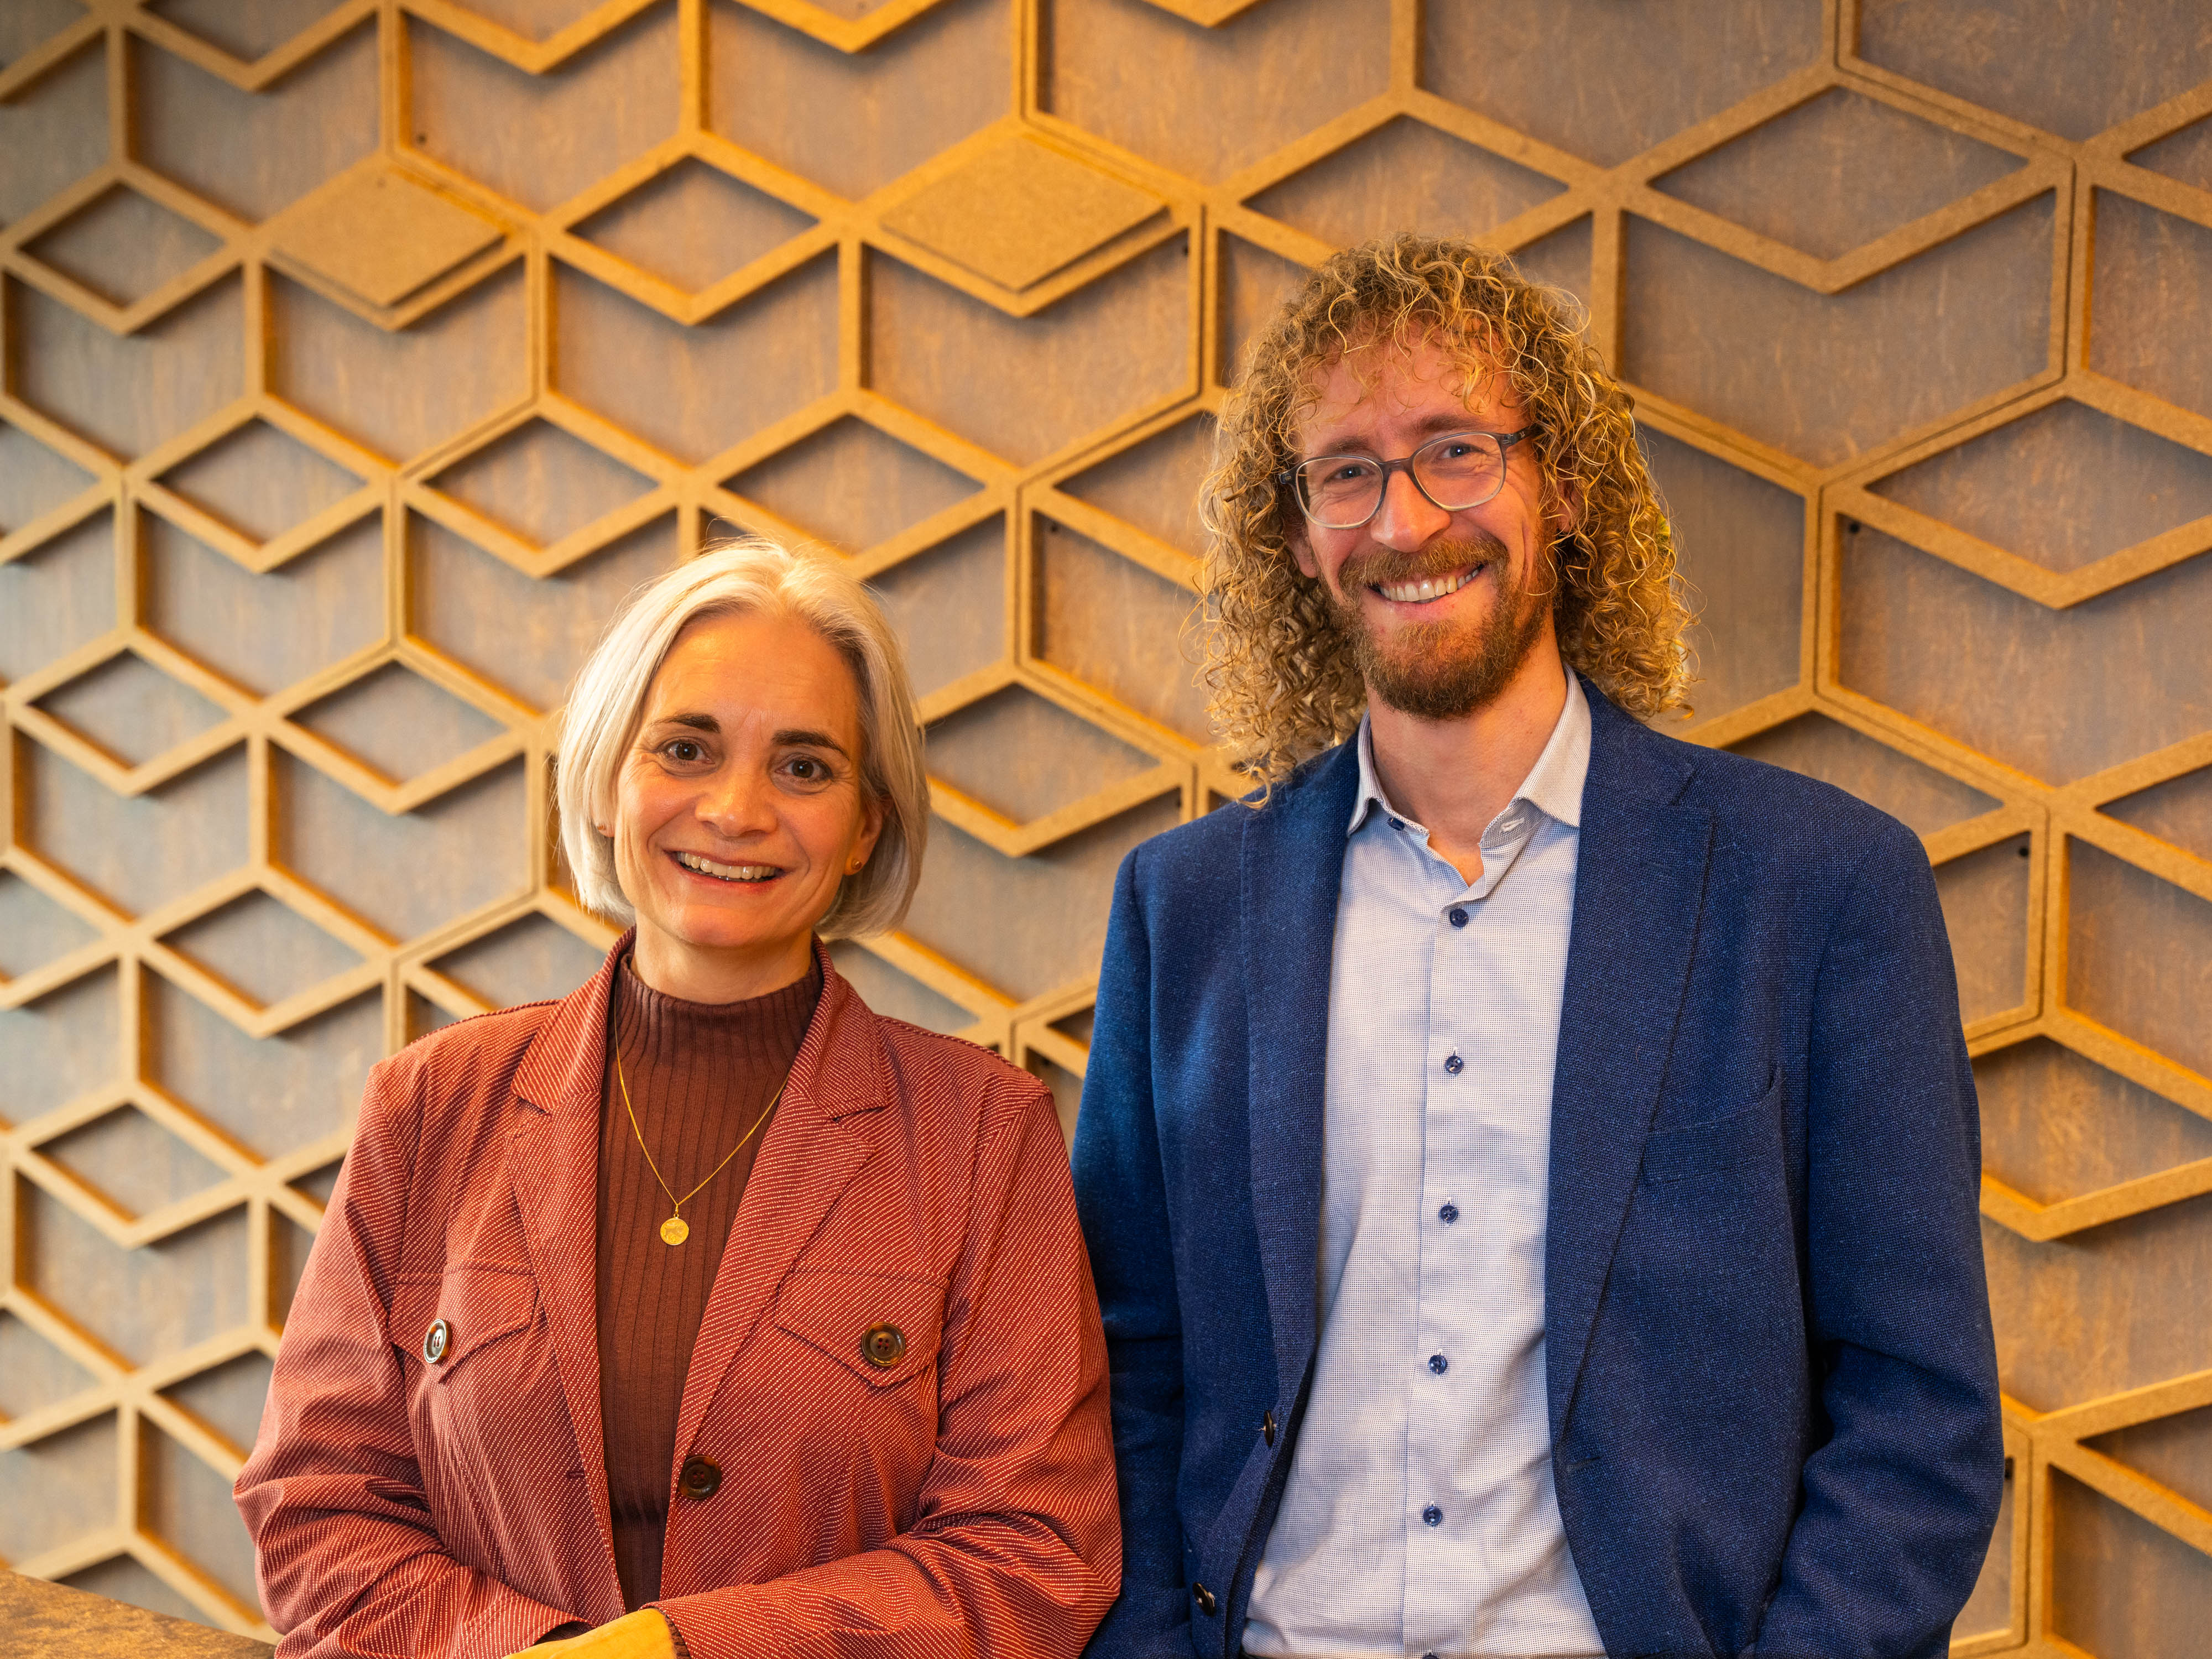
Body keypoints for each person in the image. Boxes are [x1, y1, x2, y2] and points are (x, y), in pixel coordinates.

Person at [1072, 234, 2002, 1659]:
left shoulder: (1819, 889)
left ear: (1561, 486)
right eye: (1344, 471)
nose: (1398, 521)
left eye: (1454, 449)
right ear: (1296, 530)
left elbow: (1915, 1409)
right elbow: (1122, 1369)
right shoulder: (1179, 909)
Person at [238, 540, 1119, 1659]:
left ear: (864, 829)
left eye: (803, 767)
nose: (736, 808)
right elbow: (319, 1508)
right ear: (610, 781)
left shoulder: (985, 1133)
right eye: (686, 748)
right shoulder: (429, 1106)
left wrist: (674, 1653)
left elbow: (1031, 1551)